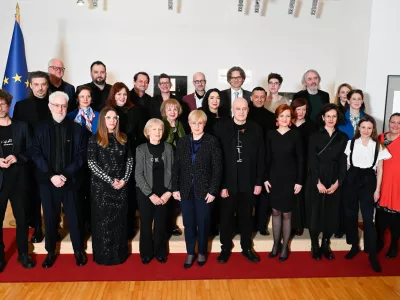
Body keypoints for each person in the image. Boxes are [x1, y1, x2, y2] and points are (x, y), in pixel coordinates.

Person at [32, 91, 88, 268]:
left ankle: (78, 250)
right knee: (50, 217)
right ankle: (50, 251)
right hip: (48, 182)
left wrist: (64, 175)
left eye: (64, 105)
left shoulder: (78, 128)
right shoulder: (40, 128)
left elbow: (81, 156)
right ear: (50, 107)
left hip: (70, 181)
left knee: (74, 217)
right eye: (57, 105)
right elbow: (36, 153)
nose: (60, 109)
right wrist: (52, 176)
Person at [215, 98, 265, 264]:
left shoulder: (256, 129)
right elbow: (217, 158)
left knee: (246, 218)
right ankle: (225, 249)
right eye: (238, 109)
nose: (241, 112)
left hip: (248, 182)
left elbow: (261, 157)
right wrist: (221, 185)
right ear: (232, 109)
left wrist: (259, 181)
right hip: (227, 184)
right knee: (226, 218)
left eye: (244, 108)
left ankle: (246, 248)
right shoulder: (222, 128)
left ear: (248, 110)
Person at [172, 110, 222, 268]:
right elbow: (176, 168)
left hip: (205, 191)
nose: (197, 126)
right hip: (185, 190)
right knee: (188, 223)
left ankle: (201, 252)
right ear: (189, 124)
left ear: (205, 124)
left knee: (203, 222)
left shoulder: (212, 141)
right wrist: (175, 188)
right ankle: (190, 252)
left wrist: (213, 190)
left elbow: (217, 168)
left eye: (200, 123)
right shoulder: (182, 142)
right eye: (194, 123)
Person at [342, 115, 391, 273]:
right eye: (363, 127)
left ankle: (372, 255)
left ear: (373, 129)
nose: (366, 130)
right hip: (352, 179)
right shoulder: (351, 144)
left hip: (368, 181)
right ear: (359, 128)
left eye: (369, 128)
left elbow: (381, 169)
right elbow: (347, 164)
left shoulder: (379, 146)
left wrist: (377, 190)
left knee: (368, 220)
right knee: (350, 215)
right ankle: (354, 246)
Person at [87, 106, 133, 265]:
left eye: (115, 118)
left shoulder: (124, 138)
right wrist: (110, 180)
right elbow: (92, 164)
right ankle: (103, 257)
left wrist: (124, 180)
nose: (112, 121)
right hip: (101, 189)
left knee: (119, 224)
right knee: (103, 224)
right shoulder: (94, 139)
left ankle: (119, 256)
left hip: (121, 188)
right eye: (108, 117)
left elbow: (129, 160)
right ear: (102, 120)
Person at [13, 71, 52, 244]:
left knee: (51, 195)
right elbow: (17, 133)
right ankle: (37, 227)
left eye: (43, 84)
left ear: (48, 85)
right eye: (36, 84)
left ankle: (52, 228)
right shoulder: (21, 106)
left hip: (52, 157)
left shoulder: (56, 102)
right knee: (33, 195)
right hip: (29, 159)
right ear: (30, 85)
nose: (40, 87)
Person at [305, 104, 348, 260]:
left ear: (338, 118)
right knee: (315, 212)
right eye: (328, 116)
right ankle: (314, 244)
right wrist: (317, 182)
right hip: (317, 178)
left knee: (331, 213)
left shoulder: (343, 138)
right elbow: (311, 161)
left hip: (334, 178)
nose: (331, 119)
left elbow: (344, 162)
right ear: (323, 117)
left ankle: (325, 244)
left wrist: (338, 182)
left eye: (334, 116)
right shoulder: (314, 136)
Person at [0, 90, 35, 272]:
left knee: (22, 219)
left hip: (19, 180)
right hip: (0, 182)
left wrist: (17, 157)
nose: (0, 108)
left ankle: (23, 253)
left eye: (3, 104)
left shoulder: (22, 126)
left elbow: (31, 151)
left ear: (9, 104)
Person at [264, 104, 304, 262]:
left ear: (291, 118)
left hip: (290, 178)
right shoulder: (270, 134)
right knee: (275, 212)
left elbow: (301, 160)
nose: (285, 119)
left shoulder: (296, 135)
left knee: (287, 213)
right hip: (274, 178)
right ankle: (275, 245)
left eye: (288, 116)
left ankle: (285, 246)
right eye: (282, 116)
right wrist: (265, 178)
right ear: (277, 118)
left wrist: (299, 181)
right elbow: (266, 158)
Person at [106, 82, 146, 238]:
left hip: (132, 155)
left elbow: (142, 134)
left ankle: (129, 227)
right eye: (118, 94)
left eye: (124, 94)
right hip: (112, 158)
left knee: (128, 193)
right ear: (113, 95)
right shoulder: (108, 112)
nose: (122, 97)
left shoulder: (135, 110)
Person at [135, 118, 173, 264]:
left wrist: (168, 192)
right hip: (146, 194)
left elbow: (173, 171)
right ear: (148, 131)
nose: (157, 132)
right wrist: (150, 195)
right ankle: (146, 253)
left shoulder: (169, 148)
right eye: (154, 129)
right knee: (146, 224)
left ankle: (160, 252)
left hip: (164, 194)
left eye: (160, 129)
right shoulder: (141, 149)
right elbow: (138, 175)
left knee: (160, 223)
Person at [66, 85, 100, 235]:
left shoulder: (100, 116)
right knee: (78, 195)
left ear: (92, 99)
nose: (85, 99)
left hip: (96, 160)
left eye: (88, 96)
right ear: (77, 98)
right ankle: (80, 226)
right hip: (77, 161)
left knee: (94, 194)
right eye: (82, 96)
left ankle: (93, 225)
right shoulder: (70, 116)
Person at [247, 87, 275, 236]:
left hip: (265, 159)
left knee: (264, 196)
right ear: (251, 97)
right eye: (256, 96)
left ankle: (261, 225)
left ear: (266, 98)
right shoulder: (245, 114)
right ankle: (249, 225)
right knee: (249, 196)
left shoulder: (271, 117)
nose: (259, 99)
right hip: (248, 160)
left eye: (261, 97)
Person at [290, 98, 318, 236]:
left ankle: (300, 224)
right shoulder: (287, 124)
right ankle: (290, 223)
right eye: (298, 109)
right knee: (291, 196)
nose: (301, 112)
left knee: (301, 195)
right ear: (293, 109)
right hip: (289, 164)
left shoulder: (312, 126)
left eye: (304, 109)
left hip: (305, 164)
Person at [376, 113, 400, 259]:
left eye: (399, 123)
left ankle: (394, 245)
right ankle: (379, 241)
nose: (395, 125)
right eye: (393, 122)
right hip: (381, 181)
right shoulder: (380, 138)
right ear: (389, 122)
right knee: (380, 216)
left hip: (398, 182)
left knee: (396, 218)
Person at [160, 99, 185, 237]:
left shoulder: (180, 125)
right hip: (165, 164)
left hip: (179, 165)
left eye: (175, 109)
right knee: (166, 195)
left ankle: (172, 224)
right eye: (169, 109)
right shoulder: (161, 124)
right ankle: (165, 225)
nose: (172, 112)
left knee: (176, 197)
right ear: (164, 111)